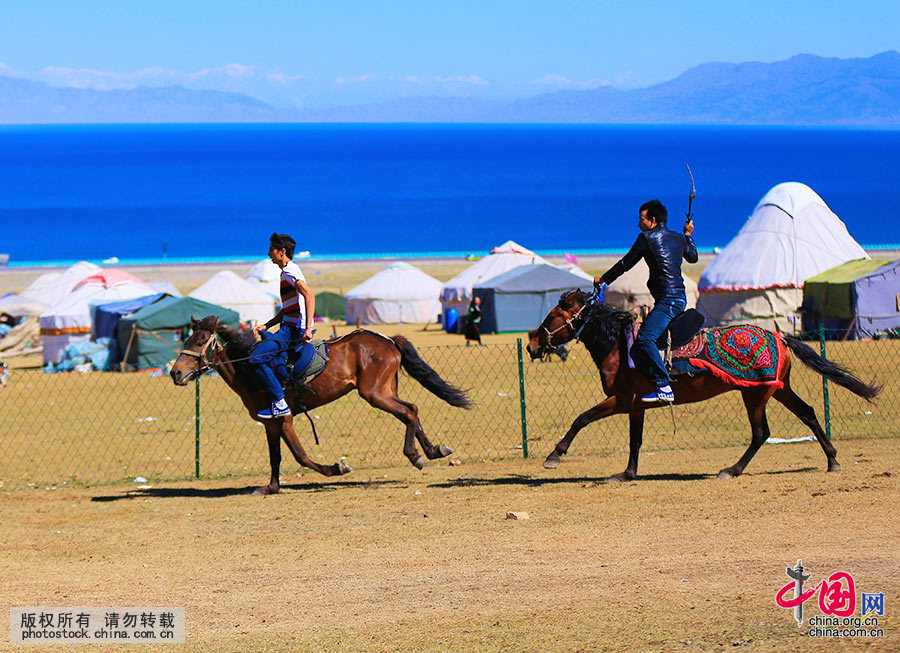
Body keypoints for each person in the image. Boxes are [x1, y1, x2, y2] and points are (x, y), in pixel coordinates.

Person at [594, 199, 698, 403]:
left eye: (641, 219)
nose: (638, 223)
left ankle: (663, 385)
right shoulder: (678, 238)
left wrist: (604, 279)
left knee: (645, 339)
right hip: (679, 298)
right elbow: (693, 257)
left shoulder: (646, 238)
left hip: (668, 301)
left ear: (652, 220)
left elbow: (626, 263)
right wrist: (688, 235)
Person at [249, 233, 316, 419]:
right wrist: (267, 325)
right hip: (287, 327)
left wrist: (308, 328)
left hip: (292, 331)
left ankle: (280, 403)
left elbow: (309, 295)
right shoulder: (287, 271)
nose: (269, 253)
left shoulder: (289, 272)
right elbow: (288, 309)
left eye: (271, 249)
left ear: (282, 252)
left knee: (255, 358)